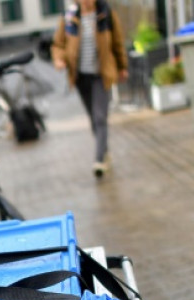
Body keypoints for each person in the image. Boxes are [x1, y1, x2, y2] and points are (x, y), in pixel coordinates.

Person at [52, 0, 128, 178]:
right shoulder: (69, 17)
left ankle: (99, 159)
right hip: (80, 77)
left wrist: (122, 66)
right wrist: (59, 59)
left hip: (101, 74)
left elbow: (117, 42)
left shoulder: (106, 14)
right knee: (93, 118)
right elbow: (58, 44)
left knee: (100, 116)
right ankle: (105, 151)